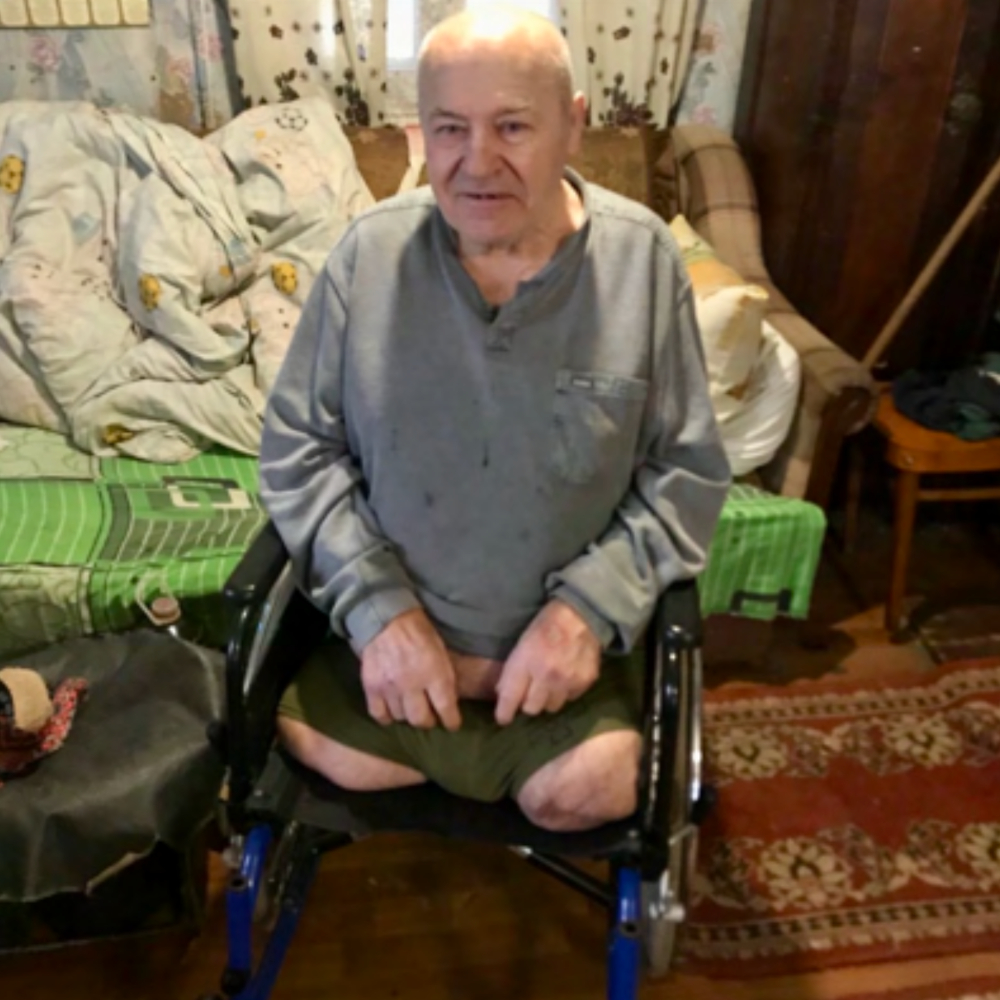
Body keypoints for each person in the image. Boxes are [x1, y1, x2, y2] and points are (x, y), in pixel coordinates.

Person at [258, 3, 731, 833]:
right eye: (449, 129)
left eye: (513, 126)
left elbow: (684, 474)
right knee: (288, 736)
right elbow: (300, 450)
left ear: (573, 125)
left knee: (586, 791)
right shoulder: (369, 254)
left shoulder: (643, 261)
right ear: (423, 131)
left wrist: (584, 613)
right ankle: (465, 763)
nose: (477, 163)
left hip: (567, 667)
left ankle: (513, 765)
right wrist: (379, 611)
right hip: (396, 652)